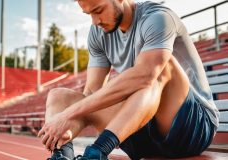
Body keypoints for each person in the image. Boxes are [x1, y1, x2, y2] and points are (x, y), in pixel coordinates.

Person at [38, 0, 219, 159]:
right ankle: (61, 155)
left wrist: (68, 114)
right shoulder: (97, 33)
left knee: (159, 68)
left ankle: (97, 153)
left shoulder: (158, 18)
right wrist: (66, 119)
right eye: (89, 14)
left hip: (191, 129)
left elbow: (146, 74)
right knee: (58, 96)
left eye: (98, 10)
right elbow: (91, 92)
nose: (95, 21)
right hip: (139, 127)